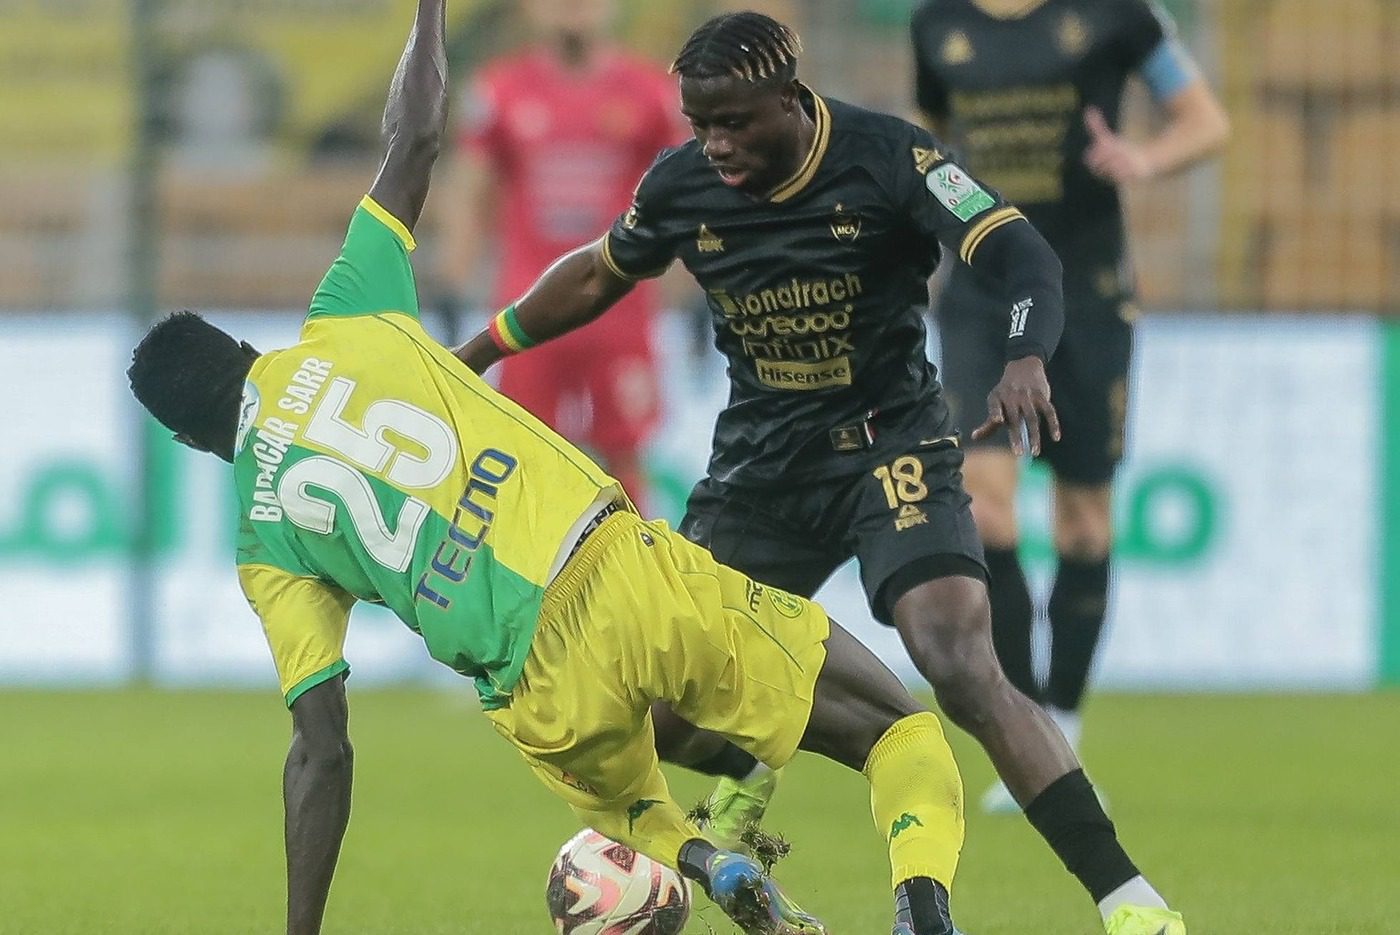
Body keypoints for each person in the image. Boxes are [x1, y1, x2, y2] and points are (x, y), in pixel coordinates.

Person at [125, 4, 977, 934]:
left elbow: (320, 749)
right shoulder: (346, 314)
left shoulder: (261, 539)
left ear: (190, 442)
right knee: (899, 730)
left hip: (530, 690)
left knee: (630, 811)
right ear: (245, 348)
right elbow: (414, 139)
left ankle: (705, 859)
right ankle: (920, 910)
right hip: (614, 572)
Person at [455, 11, 1185, 935]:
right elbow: (601, 272)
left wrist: (1025, 354)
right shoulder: (682, 184)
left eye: (734, 123)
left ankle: (1130, 902)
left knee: (958, 658)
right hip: (761, 470)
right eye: (700, 125)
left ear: (791, 99)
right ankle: (758, 758)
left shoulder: (888, 157)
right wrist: (477, 353)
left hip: (892, 447)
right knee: (662, 709)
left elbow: (1020, 250)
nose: (716, 145)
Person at [910, 0, 1230, 815]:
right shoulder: (936, 23)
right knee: (983, 506)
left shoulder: (1116, 13)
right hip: (981, 294)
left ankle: (1067, 722)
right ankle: (1028, 735)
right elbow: (931, 143)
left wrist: (1143, 158)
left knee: (1084, 521)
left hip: (1085, 295)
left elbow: (1206, 121)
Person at [438, 0, 685, 508]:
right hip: (528, 315)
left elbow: (687, 198)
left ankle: (632, 561)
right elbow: (469, 189)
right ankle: (528, 562)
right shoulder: (499, 92)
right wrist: (453, 283)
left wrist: (700, 288)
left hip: (620, 313)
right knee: (522, 459)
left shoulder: (652, 93)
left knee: (625, 460)